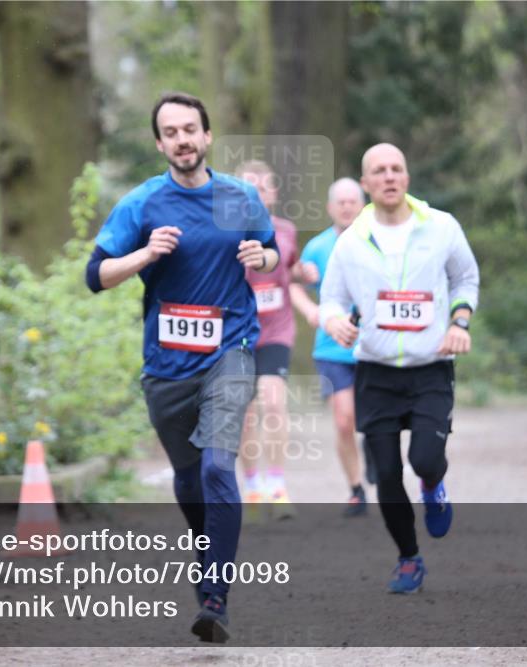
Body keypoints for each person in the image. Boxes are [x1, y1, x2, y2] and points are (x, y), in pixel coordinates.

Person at [85, 92, 279, 642]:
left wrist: (260, 258)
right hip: (167, 366)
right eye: (170, 132)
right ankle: (207, 555)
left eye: (190, 129)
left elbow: (271, 253)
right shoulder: (143, 203)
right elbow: (95, 276)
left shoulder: (238, 196)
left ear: (207, 135)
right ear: (159, 143)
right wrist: (146, 255)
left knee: (218, 467)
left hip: (230, 351)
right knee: (191, 479)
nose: (182, 139)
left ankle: (215, 596)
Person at [319, 143, 479, 594]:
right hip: (376, 372)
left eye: (396, 169)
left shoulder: (441, 227)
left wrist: (459, 322)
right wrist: (334, 321)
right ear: (365, 183)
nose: (389, 176)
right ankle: (408, 558)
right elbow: (331, 299)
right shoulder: (351, 240)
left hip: (431, 367)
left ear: (406, 177)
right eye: (379, 171)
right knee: (386, 473)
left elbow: (465, 278)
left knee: (424, 459)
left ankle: (433, 486)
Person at [289, 177, 371, 517]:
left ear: (363, 205)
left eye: (353, 201)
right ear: (330, 208)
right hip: (332, 347)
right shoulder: (318, 247)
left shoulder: (378, 241)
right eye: (341, 202)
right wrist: (312, 311)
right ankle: (356, 488)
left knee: (376, 419)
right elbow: (293, 285)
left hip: (376, 346)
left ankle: (376, 451)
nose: (347, 207)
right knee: (343, 419)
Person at [235, 160, 300, 519]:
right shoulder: (225, 233)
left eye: (262, 187)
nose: (256, 194)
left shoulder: (286, 231)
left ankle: (277, 485)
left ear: (273, 194)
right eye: (249, 187)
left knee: (273, 404)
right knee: (246, 412)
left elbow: (291, 271)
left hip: (277, 330)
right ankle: (252, 486)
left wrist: (304, 274)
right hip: (239, 333)